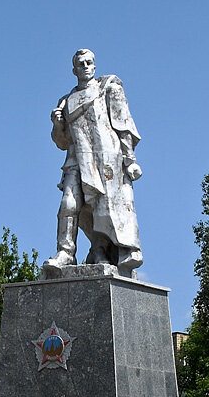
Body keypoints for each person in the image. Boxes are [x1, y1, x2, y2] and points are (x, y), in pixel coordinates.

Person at [46, 49, 143, 275]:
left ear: (95, 66)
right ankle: (65, 253)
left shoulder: (107, 88)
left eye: (89, 63)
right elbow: (62, 142)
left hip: (105, 157)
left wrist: (130, 160)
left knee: (102, 206)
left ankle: (100, 250)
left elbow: (123, 124)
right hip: (76, 159)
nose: (86, 67)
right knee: (68, 204)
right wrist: (58, 124)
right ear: (74, 70)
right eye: (81, 64)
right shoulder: (66, 101)